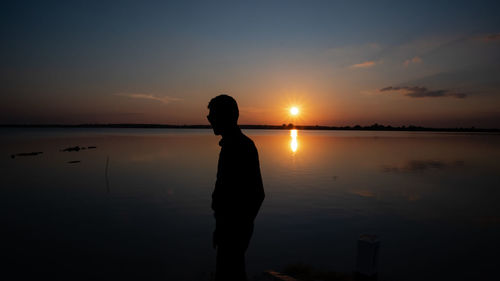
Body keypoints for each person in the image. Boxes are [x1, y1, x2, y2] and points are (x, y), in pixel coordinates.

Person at [207, 94, 265, 281]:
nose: (209, 120)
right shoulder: (230, 145)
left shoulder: (241, 147)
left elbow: (257, 194)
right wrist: (220, 225)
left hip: (234, 229)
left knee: (231, 273)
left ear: (226, 116)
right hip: (227, 227)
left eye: (212, 115)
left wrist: (238, 226)